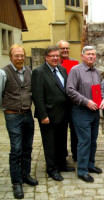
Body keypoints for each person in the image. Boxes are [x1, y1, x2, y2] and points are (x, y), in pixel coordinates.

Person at [31, 45, 75, 182]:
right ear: (46, 57)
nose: (56, 58)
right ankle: (52, 169)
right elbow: (37, 96)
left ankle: (61, 164)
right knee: (50, 143)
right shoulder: (39, 72)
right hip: (48, 115)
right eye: (53, 56)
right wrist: (43, 115)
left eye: (57, 55)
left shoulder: (62, 69)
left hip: (62, 113)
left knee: (61, 141)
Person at [0, 44, 38, 199]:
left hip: (27, 114)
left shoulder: (29, 70)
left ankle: (25, 175)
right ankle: (16, 183)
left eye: (22, 55)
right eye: (16, 55)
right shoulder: (3, 72)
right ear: (11, 57)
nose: (20, 58)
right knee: (16, 150)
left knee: (27, 147)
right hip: (12, 115)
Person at [66, 46, 104, 183]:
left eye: (93, 54)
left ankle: (90, 164)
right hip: (81, 111)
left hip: (95, 111)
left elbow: (99, 89)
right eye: (88, 54)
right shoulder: (75, 70)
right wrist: (86, 101)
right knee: (84, 141)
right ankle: (82, 170)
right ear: (82, 56)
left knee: (93, 140)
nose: (91, 56)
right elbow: (70, 90)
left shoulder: (96, 72)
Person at [57, 40, 78, 162]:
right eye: (62, 48)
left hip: (74, 102)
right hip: (61, 104)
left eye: (67, 48)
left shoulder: (74, 63)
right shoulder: (54, 64)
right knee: (62, 131)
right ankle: (62, 155)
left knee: (75, 130)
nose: (65, 50)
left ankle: (76, 154)